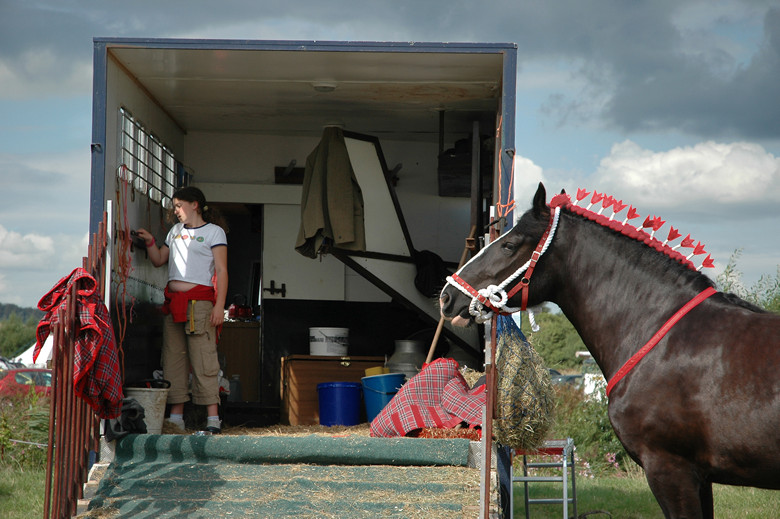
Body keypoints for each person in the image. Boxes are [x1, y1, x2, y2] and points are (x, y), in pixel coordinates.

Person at [135, 186, 228, 434]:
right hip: (173, 303)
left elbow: (221, 271)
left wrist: (219, 306)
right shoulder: (174, 232)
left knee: (203, 358)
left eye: (179, 205)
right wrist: (150, 242)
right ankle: (176, 419)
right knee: (173, 358)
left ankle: (213, 420)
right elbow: (158, 260)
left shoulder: (214, 232)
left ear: (194, 204)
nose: (176, 211)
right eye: (175, 206)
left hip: (200, 304)